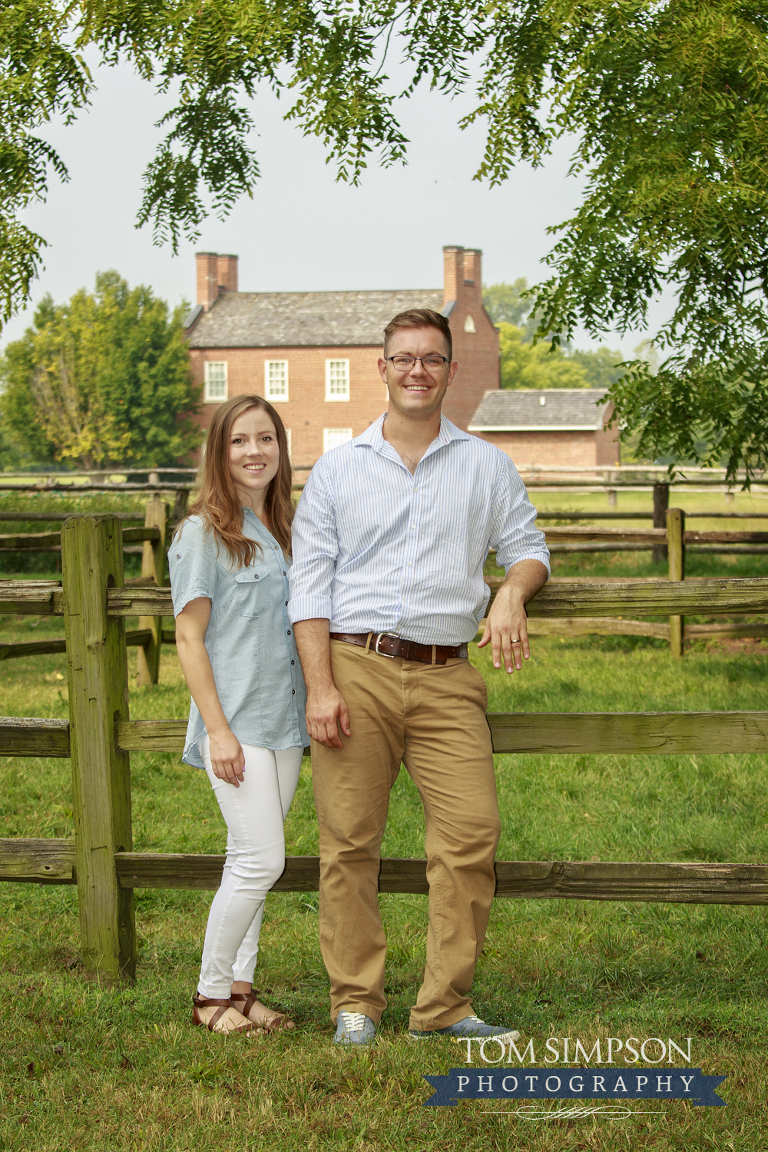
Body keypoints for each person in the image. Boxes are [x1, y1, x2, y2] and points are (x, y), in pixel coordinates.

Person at [288, 308, 550, 1045]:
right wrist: (320, 686)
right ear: (382, 368)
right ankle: (355, 1005)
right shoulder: (340, 468)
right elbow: (309, 584)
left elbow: (529, 545)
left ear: (449, 370)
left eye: (431, 359)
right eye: (403, 359)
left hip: (445, 676)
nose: (416, 371)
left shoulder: (486, 464)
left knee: (471, 834)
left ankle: (444, 1008)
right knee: (348, 841)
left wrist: (510, 591)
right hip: (355, 668)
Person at [169, 394, 308, 1035]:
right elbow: (190, 640)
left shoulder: (284, 531)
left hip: (285, 723)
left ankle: (240, 994)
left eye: (266, 440)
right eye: (239, 441)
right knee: (261, 861)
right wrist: (218, 732)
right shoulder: (203, 533)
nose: (255, 452)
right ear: (219, 453)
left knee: (248, 859)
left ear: (280, 450)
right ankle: (208, 999)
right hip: (237, 727)